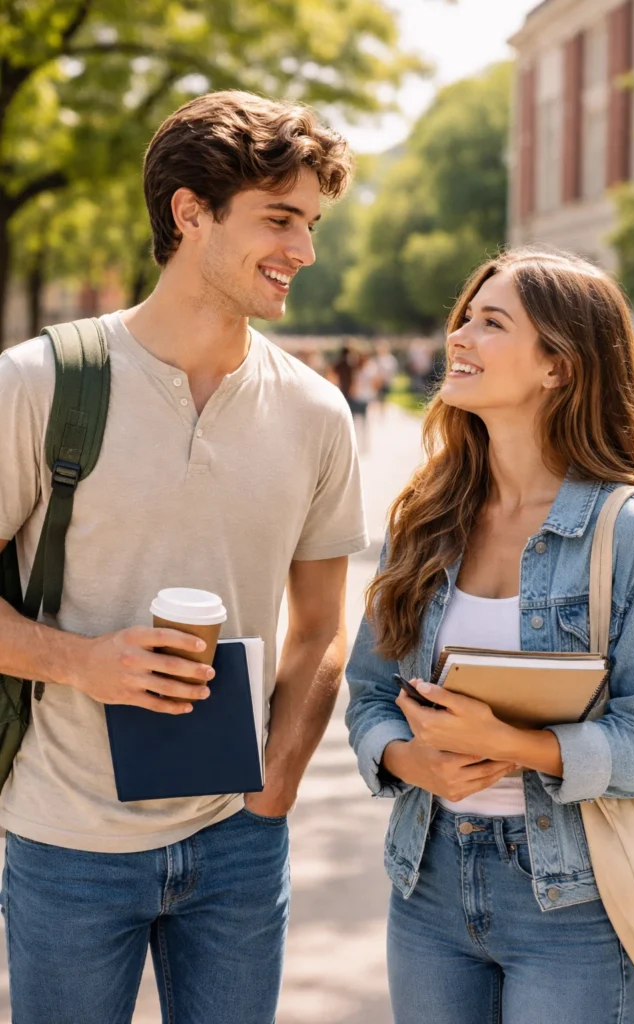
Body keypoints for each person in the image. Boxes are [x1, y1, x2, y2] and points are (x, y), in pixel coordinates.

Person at [0, 91, 368, 1024]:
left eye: (311, 222)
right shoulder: (40, 382)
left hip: (240, 846)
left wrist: (276, 784)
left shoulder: (315, 413)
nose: (304, 249)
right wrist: (81, 662)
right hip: (68, 843)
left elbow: (322, 628)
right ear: (190, 211)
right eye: (279, 218)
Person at [346, 248, 634, 1024]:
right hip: (426, 883)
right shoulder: (426, 516)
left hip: (574, 902)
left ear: (557, 366)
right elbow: (368, 695)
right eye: (464, 317)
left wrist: (510, 744)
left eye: (490, 323)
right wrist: (406, 758)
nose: (458, 336)